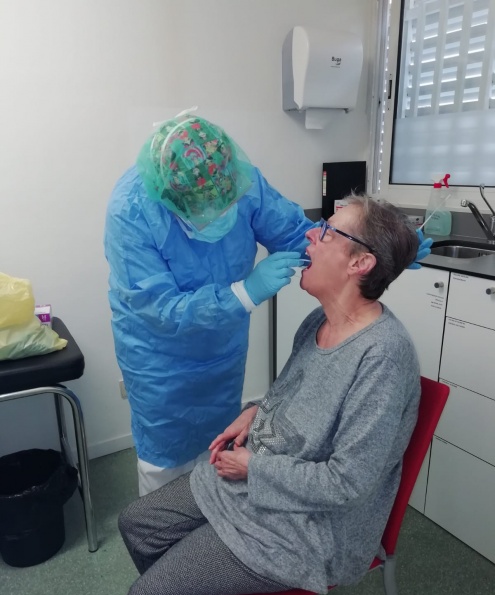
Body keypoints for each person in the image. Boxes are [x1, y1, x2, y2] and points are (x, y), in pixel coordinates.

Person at [118, 193, 422, 595]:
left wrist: (253, 470)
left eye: (327, 230)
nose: (309, 235)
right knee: (136, 523)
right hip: (264, 473)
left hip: (312, 528)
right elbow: (297, 397)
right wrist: (258, 410)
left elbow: (349, 482)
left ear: (360, 262)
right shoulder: (318, 322)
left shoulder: (382, 356)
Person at [105, 110, 431, 496]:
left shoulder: (236, 178)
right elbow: (158, 309)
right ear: (173, 199)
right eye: (207, 210)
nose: (223, 212)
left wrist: (389, 246)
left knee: (217, 453)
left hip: (222, 348)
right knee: (164, 473)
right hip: (161, 360)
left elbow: (298, 232)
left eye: (228, 200)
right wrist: (244, 292)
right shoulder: (133, 209)